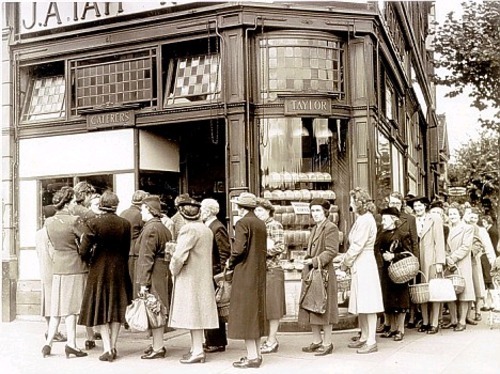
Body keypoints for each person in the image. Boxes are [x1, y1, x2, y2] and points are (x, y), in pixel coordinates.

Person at [78, 191, 133, 362]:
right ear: (116, 204)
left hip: (99, 269)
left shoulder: (93, 222)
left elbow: (83, 250)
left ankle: (107, 348)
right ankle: (114, 346)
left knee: (100, 306)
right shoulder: (125, 224)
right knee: (117, 307)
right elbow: (126, 249)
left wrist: (89, 260)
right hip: (119, 268)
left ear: (101, 203)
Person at [169, 198, 219, 364]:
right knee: (198, 313)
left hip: (190, 277)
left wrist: (173, 270)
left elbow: (179, 256)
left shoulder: (188, 230)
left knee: (192, 314)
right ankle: (196, 348)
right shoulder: (206, 229)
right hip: (203, 275)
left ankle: (197, 351)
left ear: (183, 213)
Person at [42, 187, 88, 359]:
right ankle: (72, 344)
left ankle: (48, 344)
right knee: (72, 308)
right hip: (75, 266)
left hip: (58, 267)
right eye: (74, 202)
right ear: (68, 203)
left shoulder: (49, 222)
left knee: (57, 307)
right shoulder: (74, 220)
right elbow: (85, 242)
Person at [341, 188, 384, 354]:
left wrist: (345, 262)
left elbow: (357, 245)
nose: (350, 203)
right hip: (361, 263)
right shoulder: (362, 219)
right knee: (362, 302)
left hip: (365, 263)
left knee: (369, 302)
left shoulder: (366, 220)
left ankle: (371, 340)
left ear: (358, 203)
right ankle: (365, 336)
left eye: (352, 200)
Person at [227, 192, 268, 369]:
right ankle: (256, 354)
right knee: (256, 312)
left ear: (240, 207)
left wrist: (230, 262)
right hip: (258, 273)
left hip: (245, 272)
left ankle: (252, 357)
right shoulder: (260, 223)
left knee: (246, 315)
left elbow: (239, 249)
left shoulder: (242, 223)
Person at [299, 198, 339, 356]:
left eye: (318, 210)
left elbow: (331, 251)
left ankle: (327, 343)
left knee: (324, 308)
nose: (314, 213)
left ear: (325, 212)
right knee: (311, 306)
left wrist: (314, 261)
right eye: (313, 210)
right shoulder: (316, 228)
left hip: (324, 273)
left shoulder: (330, 228)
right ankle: (316, 341)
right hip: (312, 272)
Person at [136, 195, 172, 359]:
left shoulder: (151, 229)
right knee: (158, 308)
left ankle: (158, 347)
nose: (140, 212)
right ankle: (157, 345)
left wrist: (143, 284)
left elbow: (146, 258)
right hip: (162, 272)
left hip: (154, 273)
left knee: (155, 309)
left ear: (149, 210)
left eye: (143, 209)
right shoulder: (162, 227)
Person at [406, 196, 445, 334]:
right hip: (418, 259)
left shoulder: (435, 219)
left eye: (420, 205)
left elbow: (439, 241)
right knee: (421, 290)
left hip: (431, 259)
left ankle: (434, 322)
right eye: (415, 206)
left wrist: (440, 261)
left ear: (425, 206)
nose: (418, 208)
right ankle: (425, 320)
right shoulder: (413, 220)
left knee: (434, 290)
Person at [382, 192, 419, 332]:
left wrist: (415, 260)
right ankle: (389, 326)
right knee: (388, 296)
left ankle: (401, 327)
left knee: (402, 296)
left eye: (397, 203)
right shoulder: (383, 230)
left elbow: (413, 243)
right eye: (392, 203)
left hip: (402, 264)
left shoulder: (408, 220)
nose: (394, 205)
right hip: (386, 266)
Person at [254, 198, 286, 355]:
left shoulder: (274, 225)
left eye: (260, 210)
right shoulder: (259, 226)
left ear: (268, 211)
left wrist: (262, 253)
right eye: (256, 210)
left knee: (273, 307)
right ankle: (269, 339)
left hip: (273, 270)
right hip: (262, 271)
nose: (257, 213)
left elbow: (280, 246)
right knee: (266, 307)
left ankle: (272, 340)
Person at [376, 207, 413, 341]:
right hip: (385, 270)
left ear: (393, 220)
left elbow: (408, 253)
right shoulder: (381, 234)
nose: (383, 221)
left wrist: (393, 256)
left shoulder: (402, 234)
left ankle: (400, 329)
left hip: (399, 271)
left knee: (400, 301)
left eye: (385, 219)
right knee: (388, 299)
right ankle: (391, 328)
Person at [200, 198, 231, 354]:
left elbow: (224, 251)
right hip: (209, 272)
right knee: (211, 308)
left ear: (208, 210)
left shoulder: (217, 227)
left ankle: (216, 342)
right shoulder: (210, 226)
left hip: (214, 273)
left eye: (202, 208)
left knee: (214, 308)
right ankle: (212, 340)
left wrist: (220, 275)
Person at [36, 190, 67, 344]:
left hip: (44, 270)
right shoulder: (50, 231)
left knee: (47, 301)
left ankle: (50, 329)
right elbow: (53, 252)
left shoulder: (38, 233)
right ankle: (52, 332)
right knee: (54, 302)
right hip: (54, 269)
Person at [442, 203, 475, 331]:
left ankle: (462, 321)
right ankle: (453, 319)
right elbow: (444, 246)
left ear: (460, 215)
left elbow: (466, 247)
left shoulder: (467, 228)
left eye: (455, 214)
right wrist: (446, 257)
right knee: (451, 291)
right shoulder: (447, 229)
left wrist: (452, 258)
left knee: (463, 293)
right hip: (449, 264)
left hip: (461, 263)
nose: (452, 216)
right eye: (450, 214)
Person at [120, 190, 149, 299]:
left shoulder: (123, 212)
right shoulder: (140, 215)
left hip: (124, 250)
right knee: (135, 283)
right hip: (135, 252)